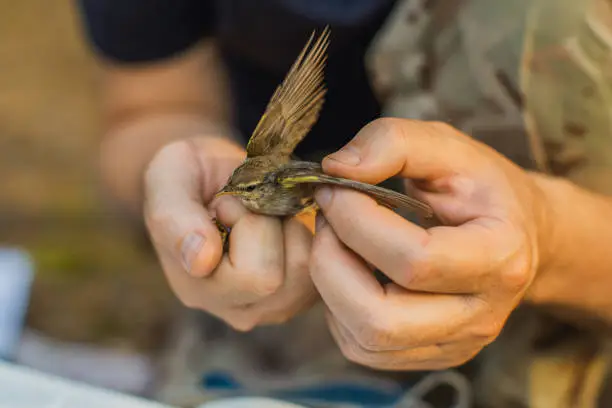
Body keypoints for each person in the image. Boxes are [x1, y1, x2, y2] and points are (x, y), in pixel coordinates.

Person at [75, 0, 612, 407]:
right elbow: (150, 105)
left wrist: (549, 239)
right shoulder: (261, 170)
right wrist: (176, 186)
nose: (234, 197)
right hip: (306, 327)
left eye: (244, 192)